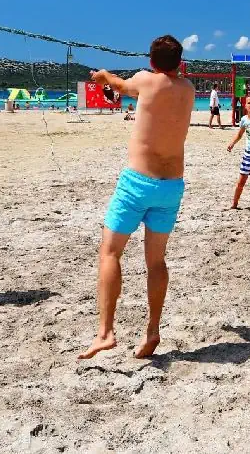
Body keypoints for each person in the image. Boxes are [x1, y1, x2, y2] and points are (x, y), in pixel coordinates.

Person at [79, 35, 195, 361]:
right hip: (171, 186)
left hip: (137, 183)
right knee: (156, 262)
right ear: (179, 62)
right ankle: (153, 330)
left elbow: (119, 85)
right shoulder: (188, 89)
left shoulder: (146, 80)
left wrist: (103, 76)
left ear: (151, 61)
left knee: (109, 252)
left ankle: (105, 332)